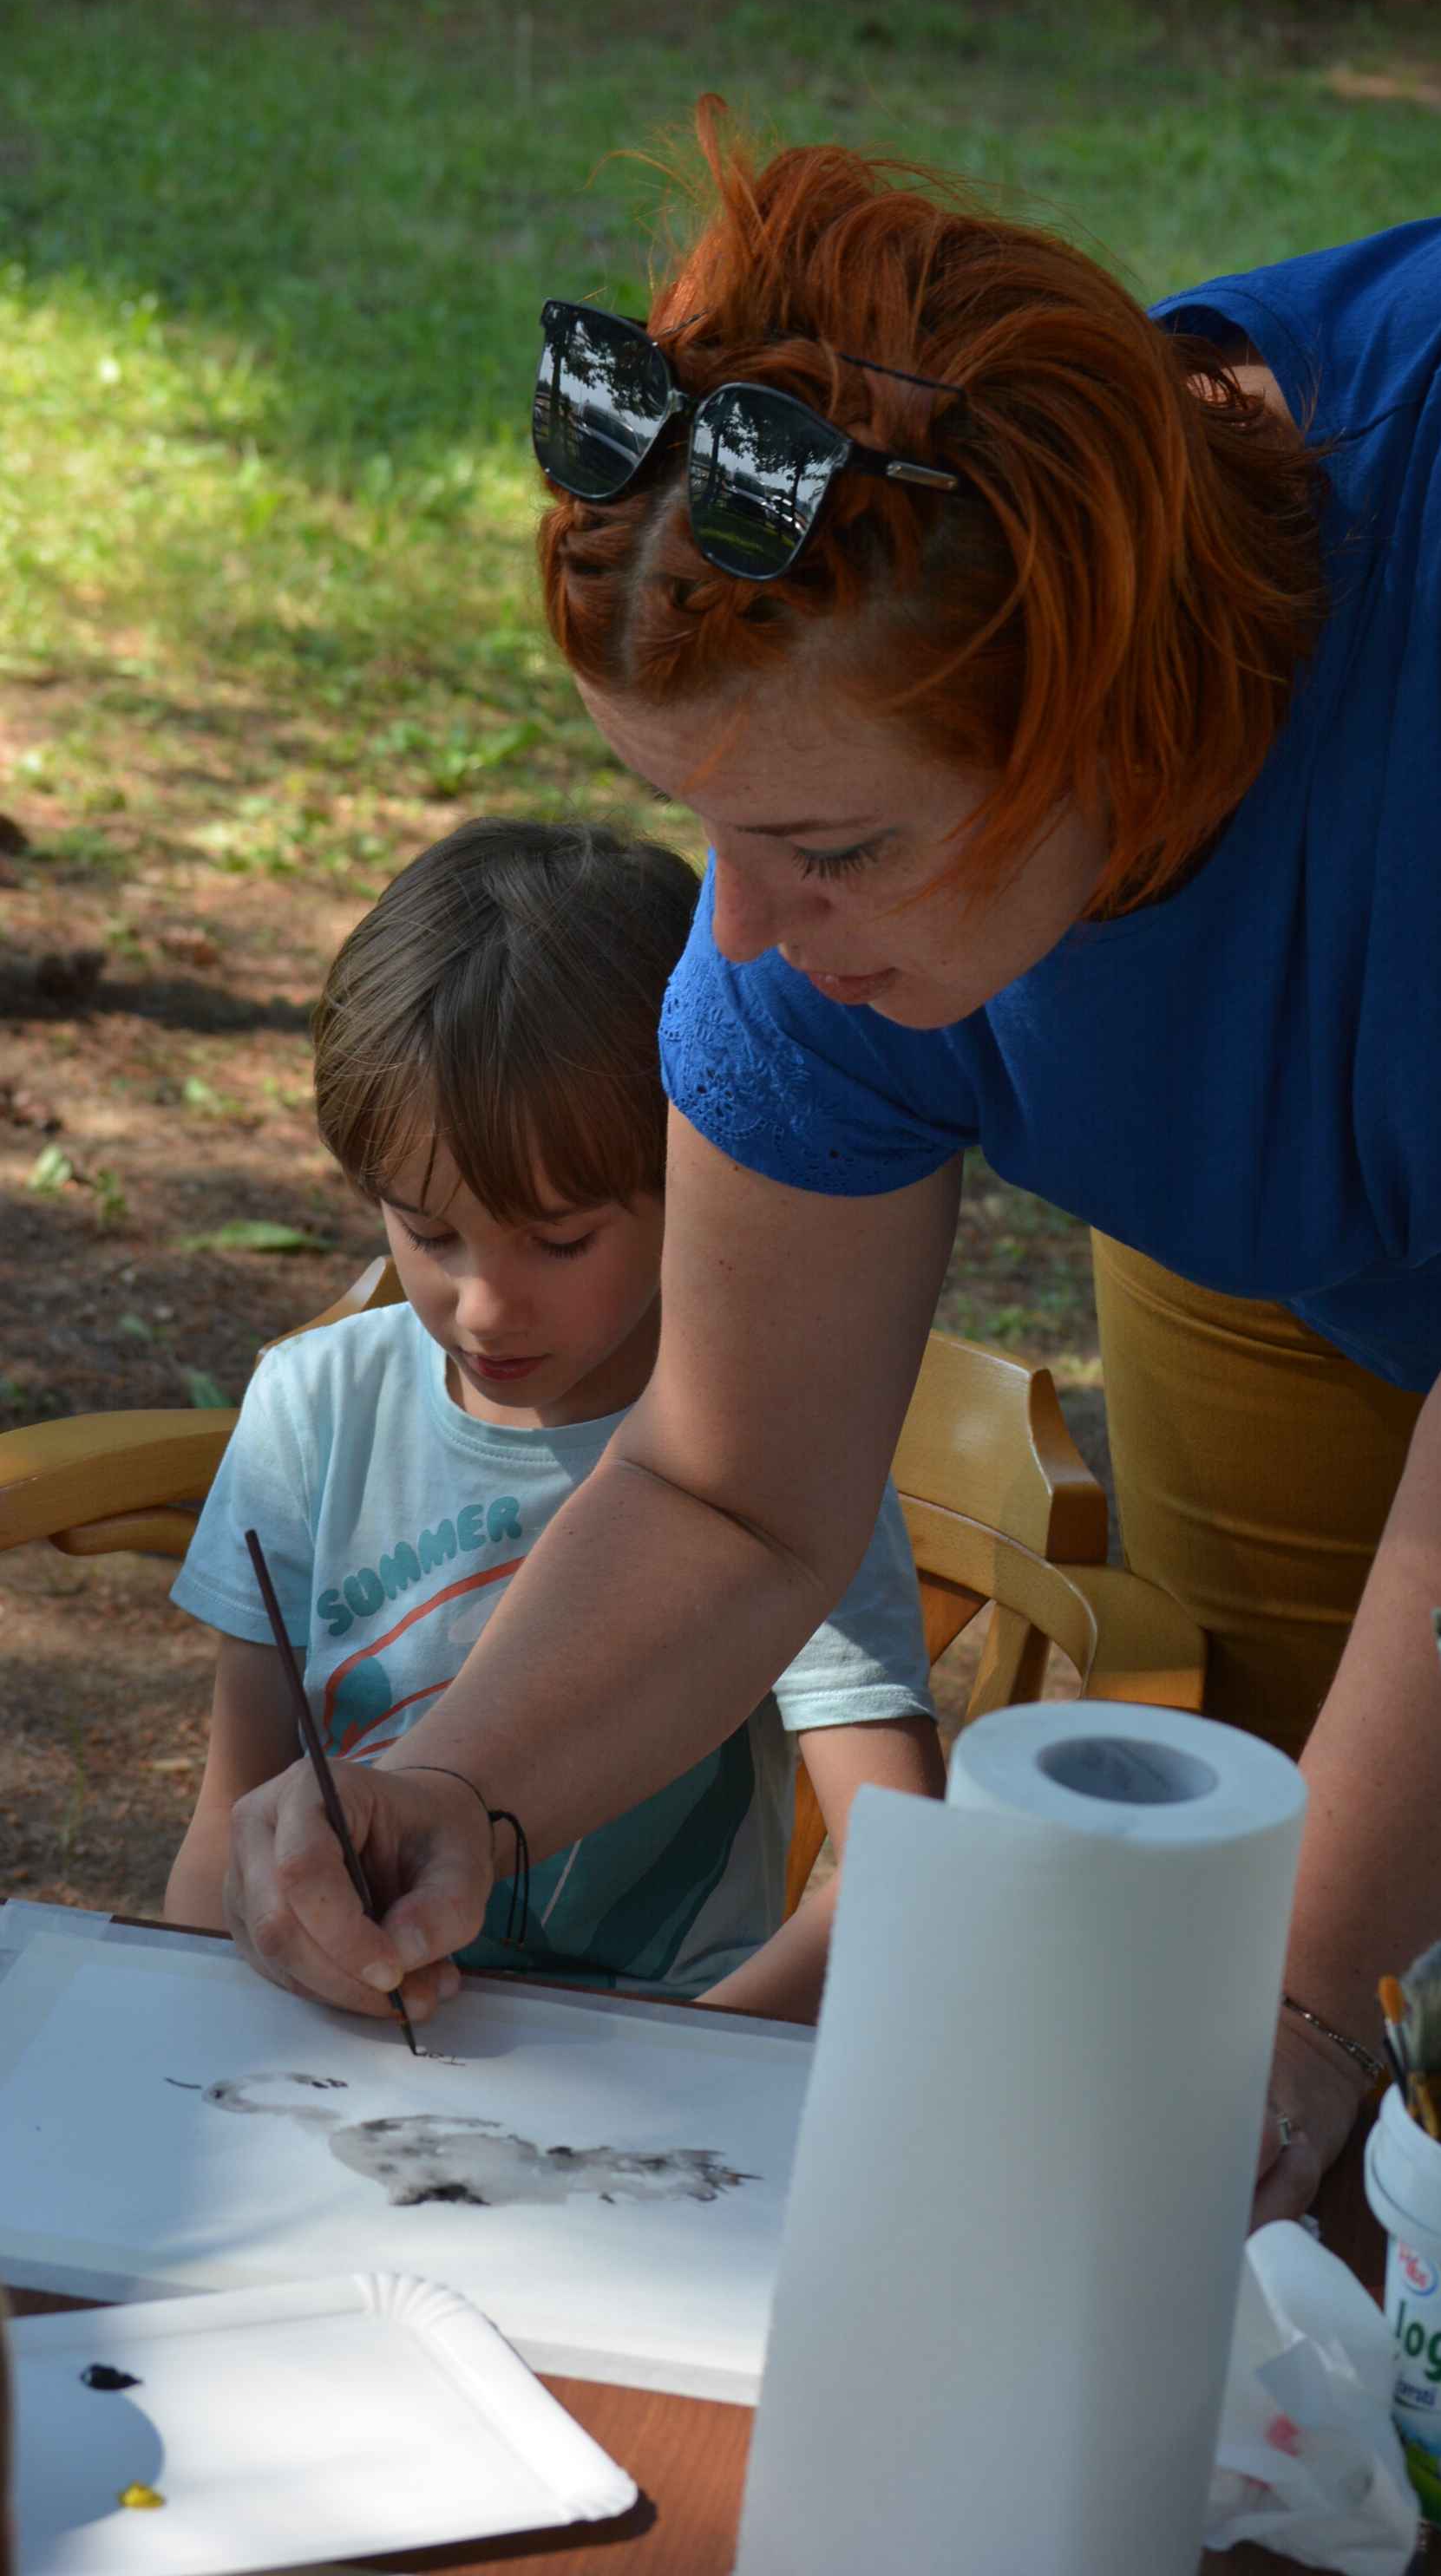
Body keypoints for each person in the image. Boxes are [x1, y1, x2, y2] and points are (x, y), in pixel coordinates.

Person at [220, 108, 1441, 2220]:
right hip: (1314, 1249)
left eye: (833, 849)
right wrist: (455, 1778)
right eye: (704, 825)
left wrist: (1296, 2017)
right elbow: (735, 1485)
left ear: (1101, 705)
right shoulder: (820, 918)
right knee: (1365, 2091)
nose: (735, 933)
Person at [165, 814, 941, 2020]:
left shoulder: (782, 1460)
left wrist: (690, 2059)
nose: (483, 1303)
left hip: (662, 2070)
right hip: (352, 2045)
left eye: (561, 1237)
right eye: (428, 1231)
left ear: (700, 1180)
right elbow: (233, 1821)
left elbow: (896, 1872)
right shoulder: (314, 1407)